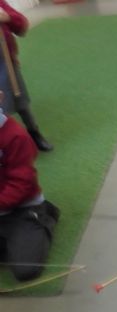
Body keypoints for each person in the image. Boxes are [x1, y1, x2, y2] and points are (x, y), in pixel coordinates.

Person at [0, 91, 59, 282]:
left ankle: (45, 216)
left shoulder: (15, 136)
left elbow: (21, 184)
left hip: (21, 209)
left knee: (26, 270)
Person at [0, 0, 53, 151]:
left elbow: (21, 25)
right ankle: (6, 146)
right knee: (2, 111)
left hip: (7, 65)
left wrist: (7, 17)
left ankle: (35, 134)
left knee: (21, 103)